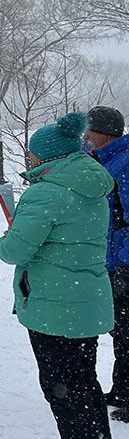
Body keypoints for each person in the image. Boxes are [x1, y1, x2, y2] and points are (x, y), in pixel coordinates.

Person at [0, 112, 115, 439]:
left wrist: (9, 232)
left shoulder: (46, 192)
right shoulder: (90, 184)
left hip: (54, 303)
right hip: (85, 299)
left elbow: (14, 250)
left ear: (47, 156)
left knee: (63, 387)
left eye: (31, 154)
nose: (28, 159)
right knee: (84, 384)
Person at [85, 105, 129, 422]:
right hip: (112, 258)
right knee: (120, 331)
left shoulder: (124, 163)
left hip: (123, 259)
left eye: (89, 131)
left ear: (104, 134)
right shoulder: (103, 159)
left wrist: (126, 263)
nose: (85, 137)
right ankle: (122, 389)